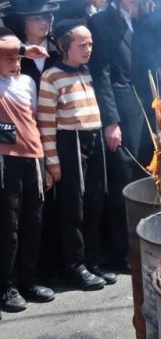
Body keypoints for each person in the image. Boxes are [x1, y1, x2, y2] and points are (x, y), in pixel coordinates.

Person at [89, 0, 154, 272]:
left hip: (143, 108)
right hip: (120, 108)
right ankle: (120, 252)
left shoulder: (140, 21)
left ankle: (142, 246)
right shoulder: (101, 24)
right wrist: (111, 121)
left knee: (143, 177)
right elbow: (100, 73)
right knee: (122, 183)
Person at [38, 20, 109, 291]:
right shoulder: (51, 76)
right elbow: (45, 122)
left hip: (93, 138)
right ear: (64, 46)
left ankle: (92, 260)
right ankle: (75, 265)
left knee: (95, 202)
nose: (88, 49)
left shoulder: (89, 71)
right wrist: (53, 161)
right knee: (73, 208)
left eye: (90, 43)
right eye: (82, 44)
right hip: (70, 142)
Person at [0, 34, 54, 319]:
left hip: (32, 157)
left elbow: (35, 119)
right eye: (9, 57)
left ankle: (28, 280)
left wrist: (45, 162)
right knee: (8, 226)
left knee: (33, 221)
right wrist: (23, 47)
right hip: (5, 161)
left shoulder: (28, 83)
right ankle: (6, 286)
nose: (15, 63)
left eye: (18, 59)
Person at [0, 0, 60, 88]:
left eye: (46, 16)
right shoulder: (8, 52)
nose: (44, 22)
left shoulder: (60, 48)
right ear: (21, 22)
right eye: (36, 18)